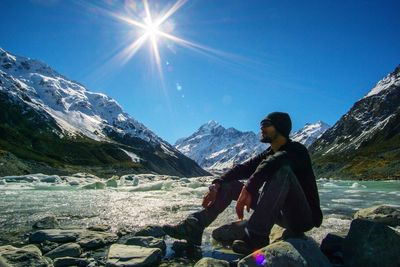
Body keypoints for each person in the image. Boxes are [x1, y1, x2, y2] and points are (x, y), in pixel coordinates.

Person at [163, 112, 323, 255]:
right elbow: (244, 168)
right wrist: (217, 183)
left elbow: (274, 163)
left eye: (266, 125)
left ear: (280, 128)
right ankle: (196, 225)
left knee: (283, 171)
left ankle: (257, 237)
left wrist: (248, 188)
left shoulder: (297, 150)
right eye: (261, 125)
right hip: (279, 214)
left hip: (303, 217)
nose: (261, 128)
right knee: (229, 184)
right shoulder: (269, 152)